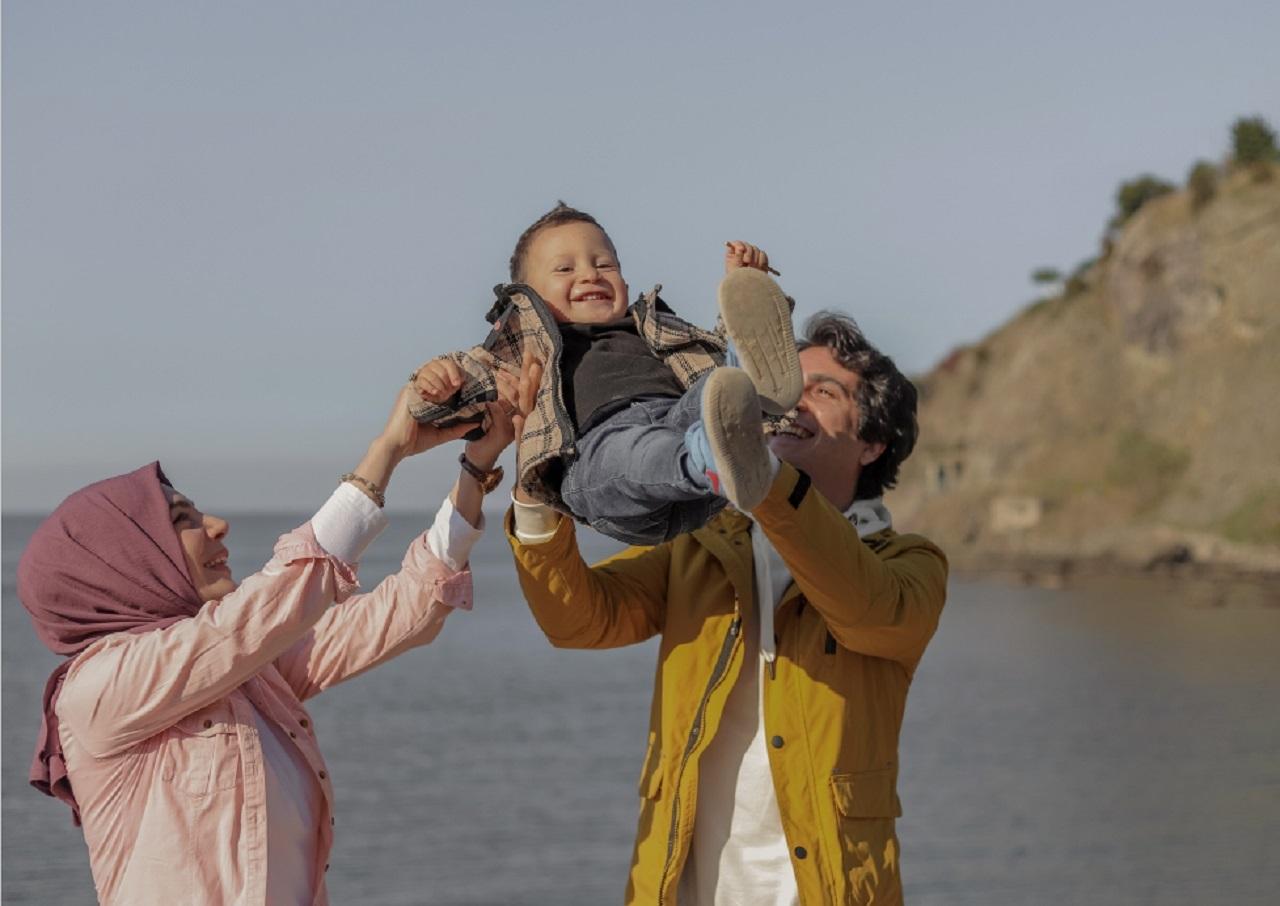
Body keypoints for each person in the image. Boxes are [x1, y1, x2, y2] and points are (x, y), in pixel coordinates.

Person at [18, 377, 521, 906]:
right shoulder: (97, 691)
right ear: (125, 562)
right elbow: (271, 605)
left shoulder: (244, 675)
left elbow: (407, 612)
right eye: (181, 521)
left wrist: (474, 469)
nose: (217, 525)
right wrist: (387, 450)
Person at [506, 312, 949, 905]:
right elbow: (579, 619)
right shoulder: (701, 547)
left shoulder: (910, 566)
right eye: (786, 384)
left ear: (872, 442)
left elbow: (863, 606)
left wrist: (761, 481)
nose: (795, 401)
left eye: (823, 391)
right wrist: (538, 495)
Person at [409, 201, 803, 545]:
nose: (590, 274)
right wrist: (437, 384)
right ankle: (712, 456)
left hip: (679, 423)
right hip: (598, 461)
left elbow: (709, 354)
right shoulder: (525, 349)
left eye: (604, 264)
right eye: (565, 268)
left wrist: (745, 286)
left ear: (625, 282)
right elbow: (460, 394)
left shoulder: (656, 328)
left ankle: (750, 391)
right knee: (632, 453)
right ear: (527, 297)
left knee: (715, 389)